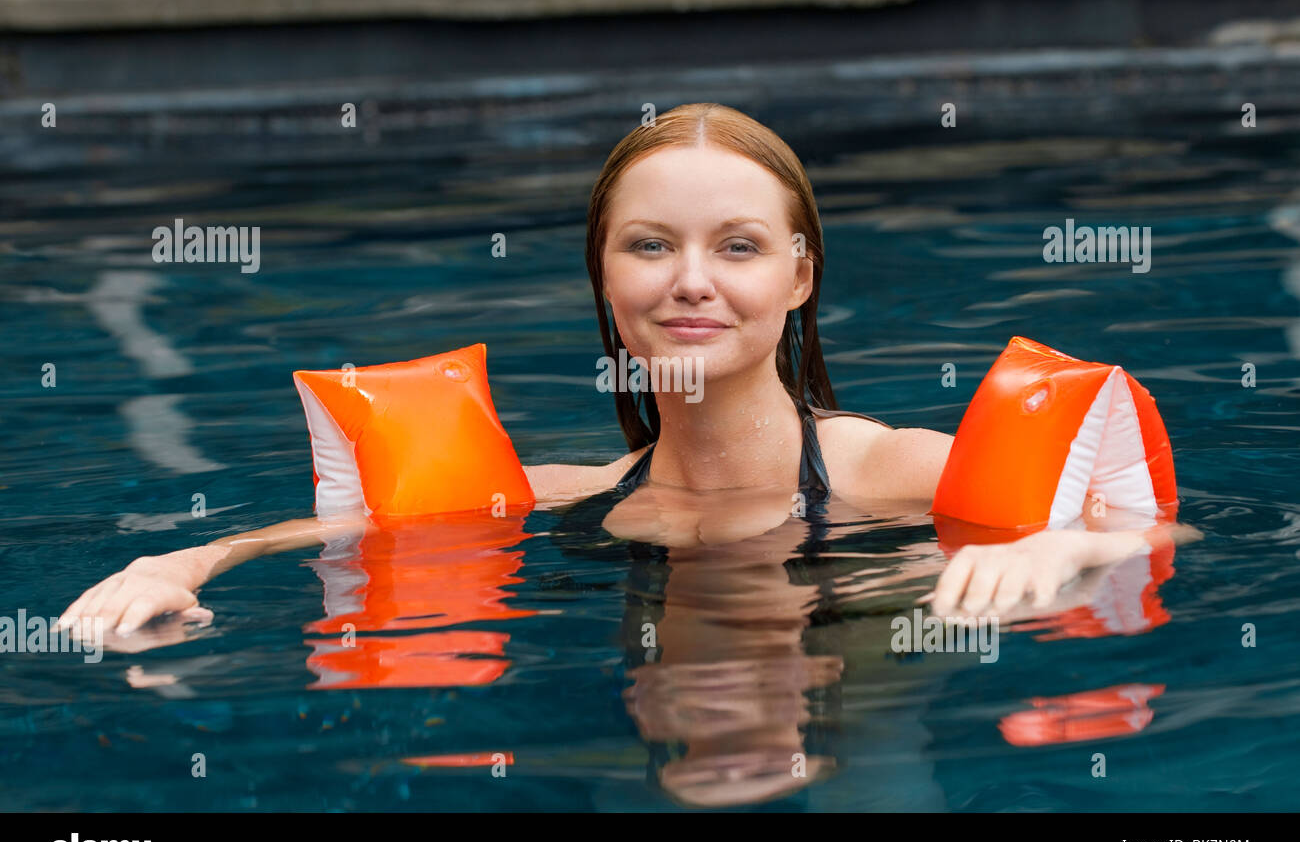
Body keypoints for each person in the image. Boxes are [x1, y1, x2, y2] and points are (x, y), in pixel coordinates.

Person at [55, 102, 1197, 640]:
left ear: (800, 277)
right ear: (606, 278)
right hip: (658, 746)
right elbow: (309, 539)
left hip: (857, 761)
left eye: (737, 248)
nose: (690, 282)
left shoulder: (893, 473)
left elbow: (1163, 538)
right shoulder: (582, 498)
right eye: (650, 246)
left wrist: (1065, 543)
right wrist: (183, 558)